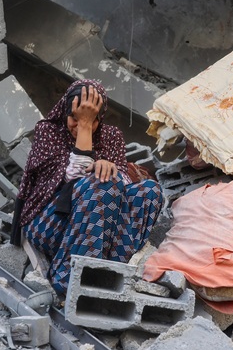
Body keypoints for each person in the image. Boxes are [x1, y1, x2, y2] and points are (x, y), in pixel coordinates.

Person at [11, 79, 163, 295]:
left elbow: (125, 186)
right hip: (51, 224)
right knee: (101, 183)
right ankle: (69, 279)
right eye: (75, 118)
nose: (81, 125)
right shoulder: (48, 132)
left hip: (100, 232)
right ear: (65, 112)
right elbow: (70, 179)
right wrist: (84, 129)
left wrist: (110, 168)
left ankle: (110, 273)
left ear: (100, 119)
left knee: (149, 191)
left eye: (91, 121)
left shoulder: (111, 136)